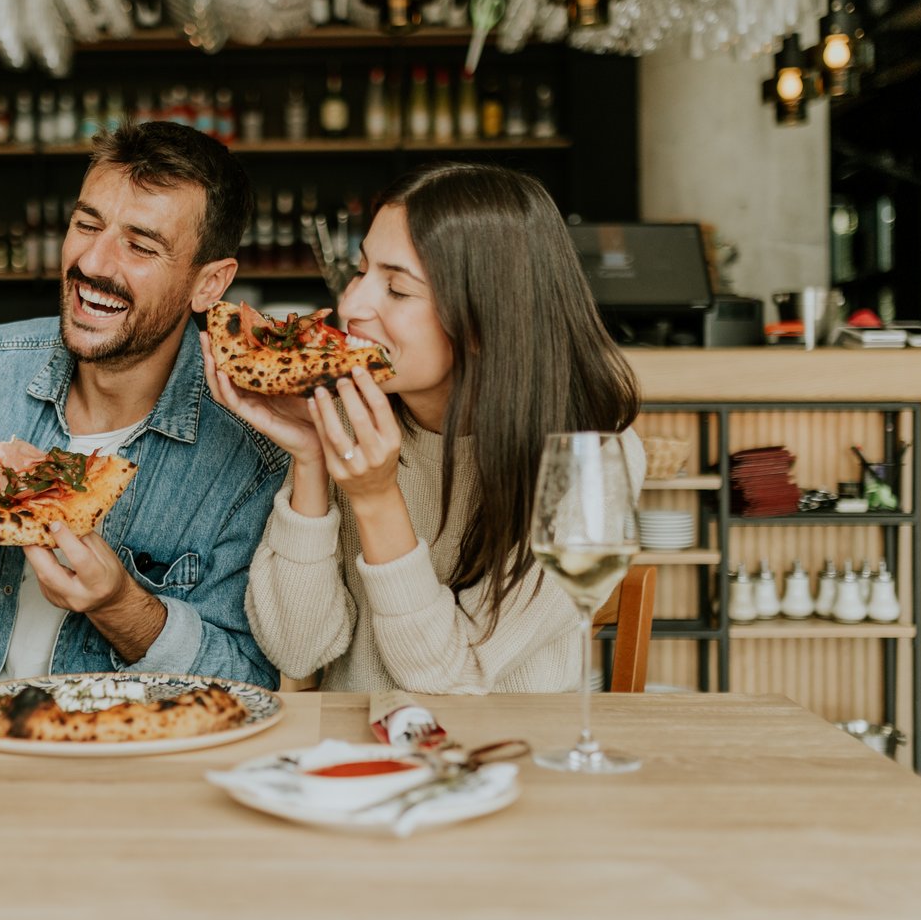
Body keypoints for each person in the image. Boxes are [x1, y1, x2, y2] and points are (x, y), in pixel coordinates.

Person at [0, 122, 285, 690]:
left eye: (140, 246)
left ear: (209, 284)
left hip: (118, 748)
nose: (94, 262)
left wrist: (120, 606)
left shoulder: (252, 452)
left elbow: (246, 678)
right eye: (86, 224)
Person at [206, 161, 645, 694]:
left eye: (397, 289)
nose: (350, 304)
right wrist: (312, 459)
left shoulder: (586, 462)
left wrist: (375, 497)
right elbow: (298, 650)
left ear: (485, 321)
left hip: (508, 759)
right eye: (361, 271)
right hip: (354, 760)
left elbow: (451, 680)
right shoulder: (349, 417)